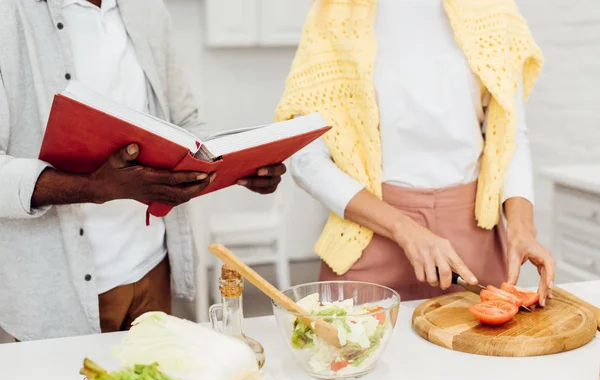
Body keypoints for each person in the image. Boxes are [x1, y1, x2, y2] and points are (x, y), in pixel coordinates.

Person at [0, 0, 285, 341]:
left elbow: (186, 122)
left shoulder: (148, 10)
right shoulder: (10, 16)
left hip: (153, 270)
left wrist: (241, 161)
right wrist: (95, 187)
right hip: (55, 296)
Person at [276, 0, 556, 304]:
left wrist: (522, 227)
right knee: (352, 348)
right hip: (370, 238)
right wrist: (403, 229)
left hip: (474, 241)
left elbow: (511, 136)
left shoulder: (495, 11)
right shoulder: (333, 15)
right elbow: (307, 159)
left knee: (477, 349)